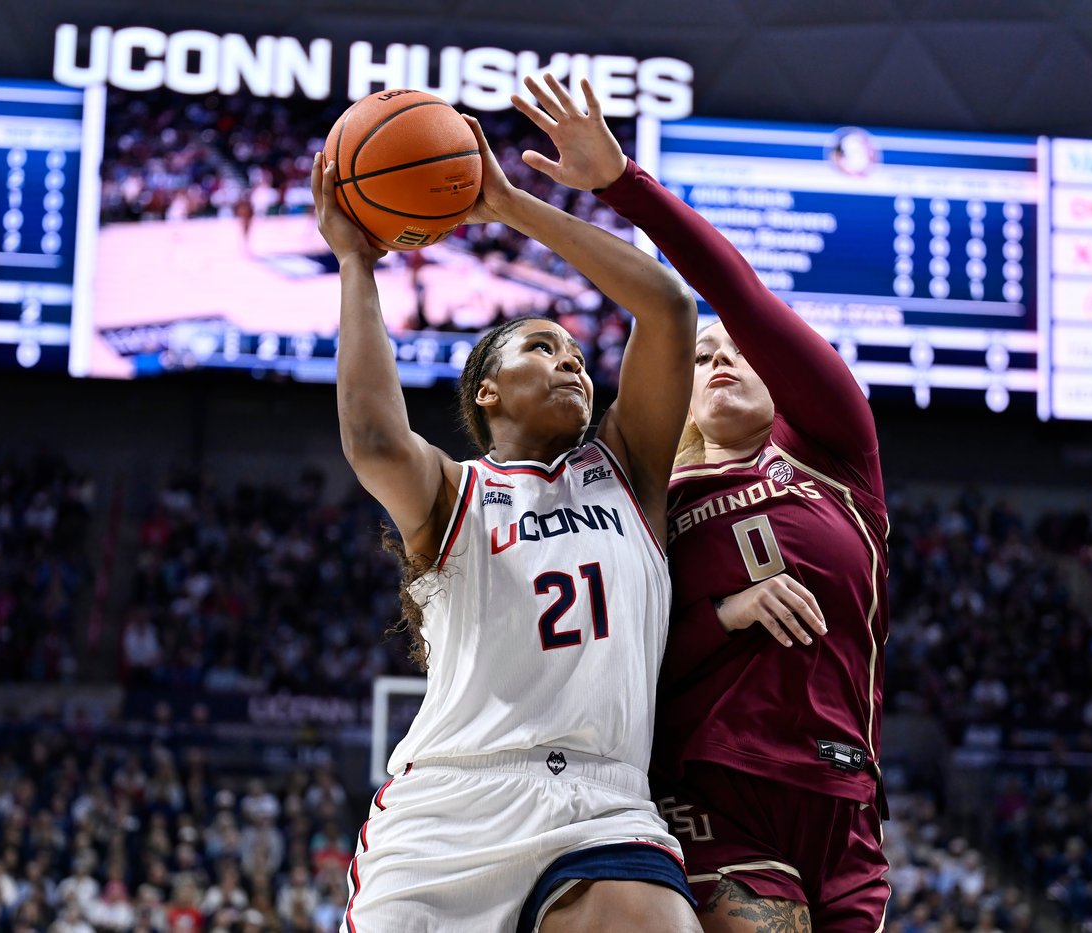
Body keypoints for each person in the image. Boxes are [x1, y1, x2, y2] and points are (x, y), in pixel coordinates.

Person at [514, 75, 892, 931]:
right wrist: (724, 611)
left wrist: (623, 183)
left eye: (739, 350)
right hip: (712, 795)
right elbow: (619, 664)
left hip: (848, 803)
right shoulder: (648, 501)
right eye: (700, 355)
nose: (720, 358)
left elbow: (741, 297)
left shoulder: (839, 456)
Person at [312, 112, 703, 932]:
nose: (569, 360)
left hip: (603, 803)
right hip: (451, 805)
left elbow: (666, 307)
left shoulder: (629, 473)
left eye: (575, 353)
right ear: (486, 392)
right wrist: (356, 264)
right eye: (540, 346)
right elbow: (375, 437)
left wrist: (512, 204)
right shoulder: (453, 494)